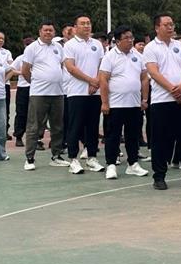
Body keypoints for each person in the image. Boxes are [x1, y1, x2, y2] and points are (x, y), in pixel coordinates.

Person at [144, 13, 181, 190]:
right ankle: (159, 176)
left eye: (172, 24)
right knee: (160, 140)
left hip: (180, 100)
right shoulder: (151, 48)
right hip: (161, 100)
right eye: (166, 25)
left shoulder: (179, 46)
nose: (170, 27)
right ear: (157, 28)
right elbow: (153, 72)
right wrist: (173, 89)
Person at [99, 25, 150, 180]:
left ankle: (133, 164)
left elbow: (144, 78)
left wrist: (144, 99)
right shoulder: (110, 56)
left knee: (133, 135)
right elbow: (103, 79)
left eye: (131, 37)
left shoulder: (138, 56)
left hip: (134, 104)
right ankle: (111, 165)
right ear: (117, 41)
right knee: (113, 135)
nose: (130, 40)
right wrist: (105, 102)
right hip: (115, 104)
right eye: (126, 38)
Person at [21, 21, 69, 171]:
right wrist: (36, 82)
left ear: (54, 33)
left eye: (51, 30)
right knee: (34, 126)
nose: (48, 33)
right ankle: (29, 158)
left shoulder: (58, 47)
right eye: (45, 30)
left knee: (57, 126)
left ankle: (56, 156)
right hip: (39, 94)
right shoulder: (32, 48)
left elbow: (62, 65)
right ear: (40, 32)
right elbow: (25, 70)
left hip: (57, 93)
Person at [63, 14, 106, 174]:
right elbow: (71, 68)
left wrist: (96, 82)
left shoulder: (97, 44)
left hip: (95, 93)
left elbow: (102, 65)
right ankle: (73, 159)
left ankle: (92, 157)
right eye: (83, 23)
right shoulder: (70, 45)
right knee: (75, 126)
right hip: (76, 92)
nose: (86, 26)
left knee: (93, 126)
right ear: (75, 27)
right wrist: (91, 81)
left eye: (88, 23)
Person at [10, 37, 34, 148]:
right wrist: (22, 72)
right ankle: (19, 136)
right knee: (21, 113)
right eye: (27, 45)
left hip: (36, 88)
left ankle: (37, 138)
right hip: (23, 87)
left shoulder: (37, 57)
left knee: (36, 114)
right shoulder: (20, 58)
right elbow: (11, 69)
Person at [0, 31, 14, 140]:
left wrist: (3, 80)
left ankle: (4, 130)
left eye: (3, 38)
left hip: (5, 84)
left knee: (5, 109)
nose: (1, 40)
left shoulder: (7, 52)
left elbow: (11, 67)